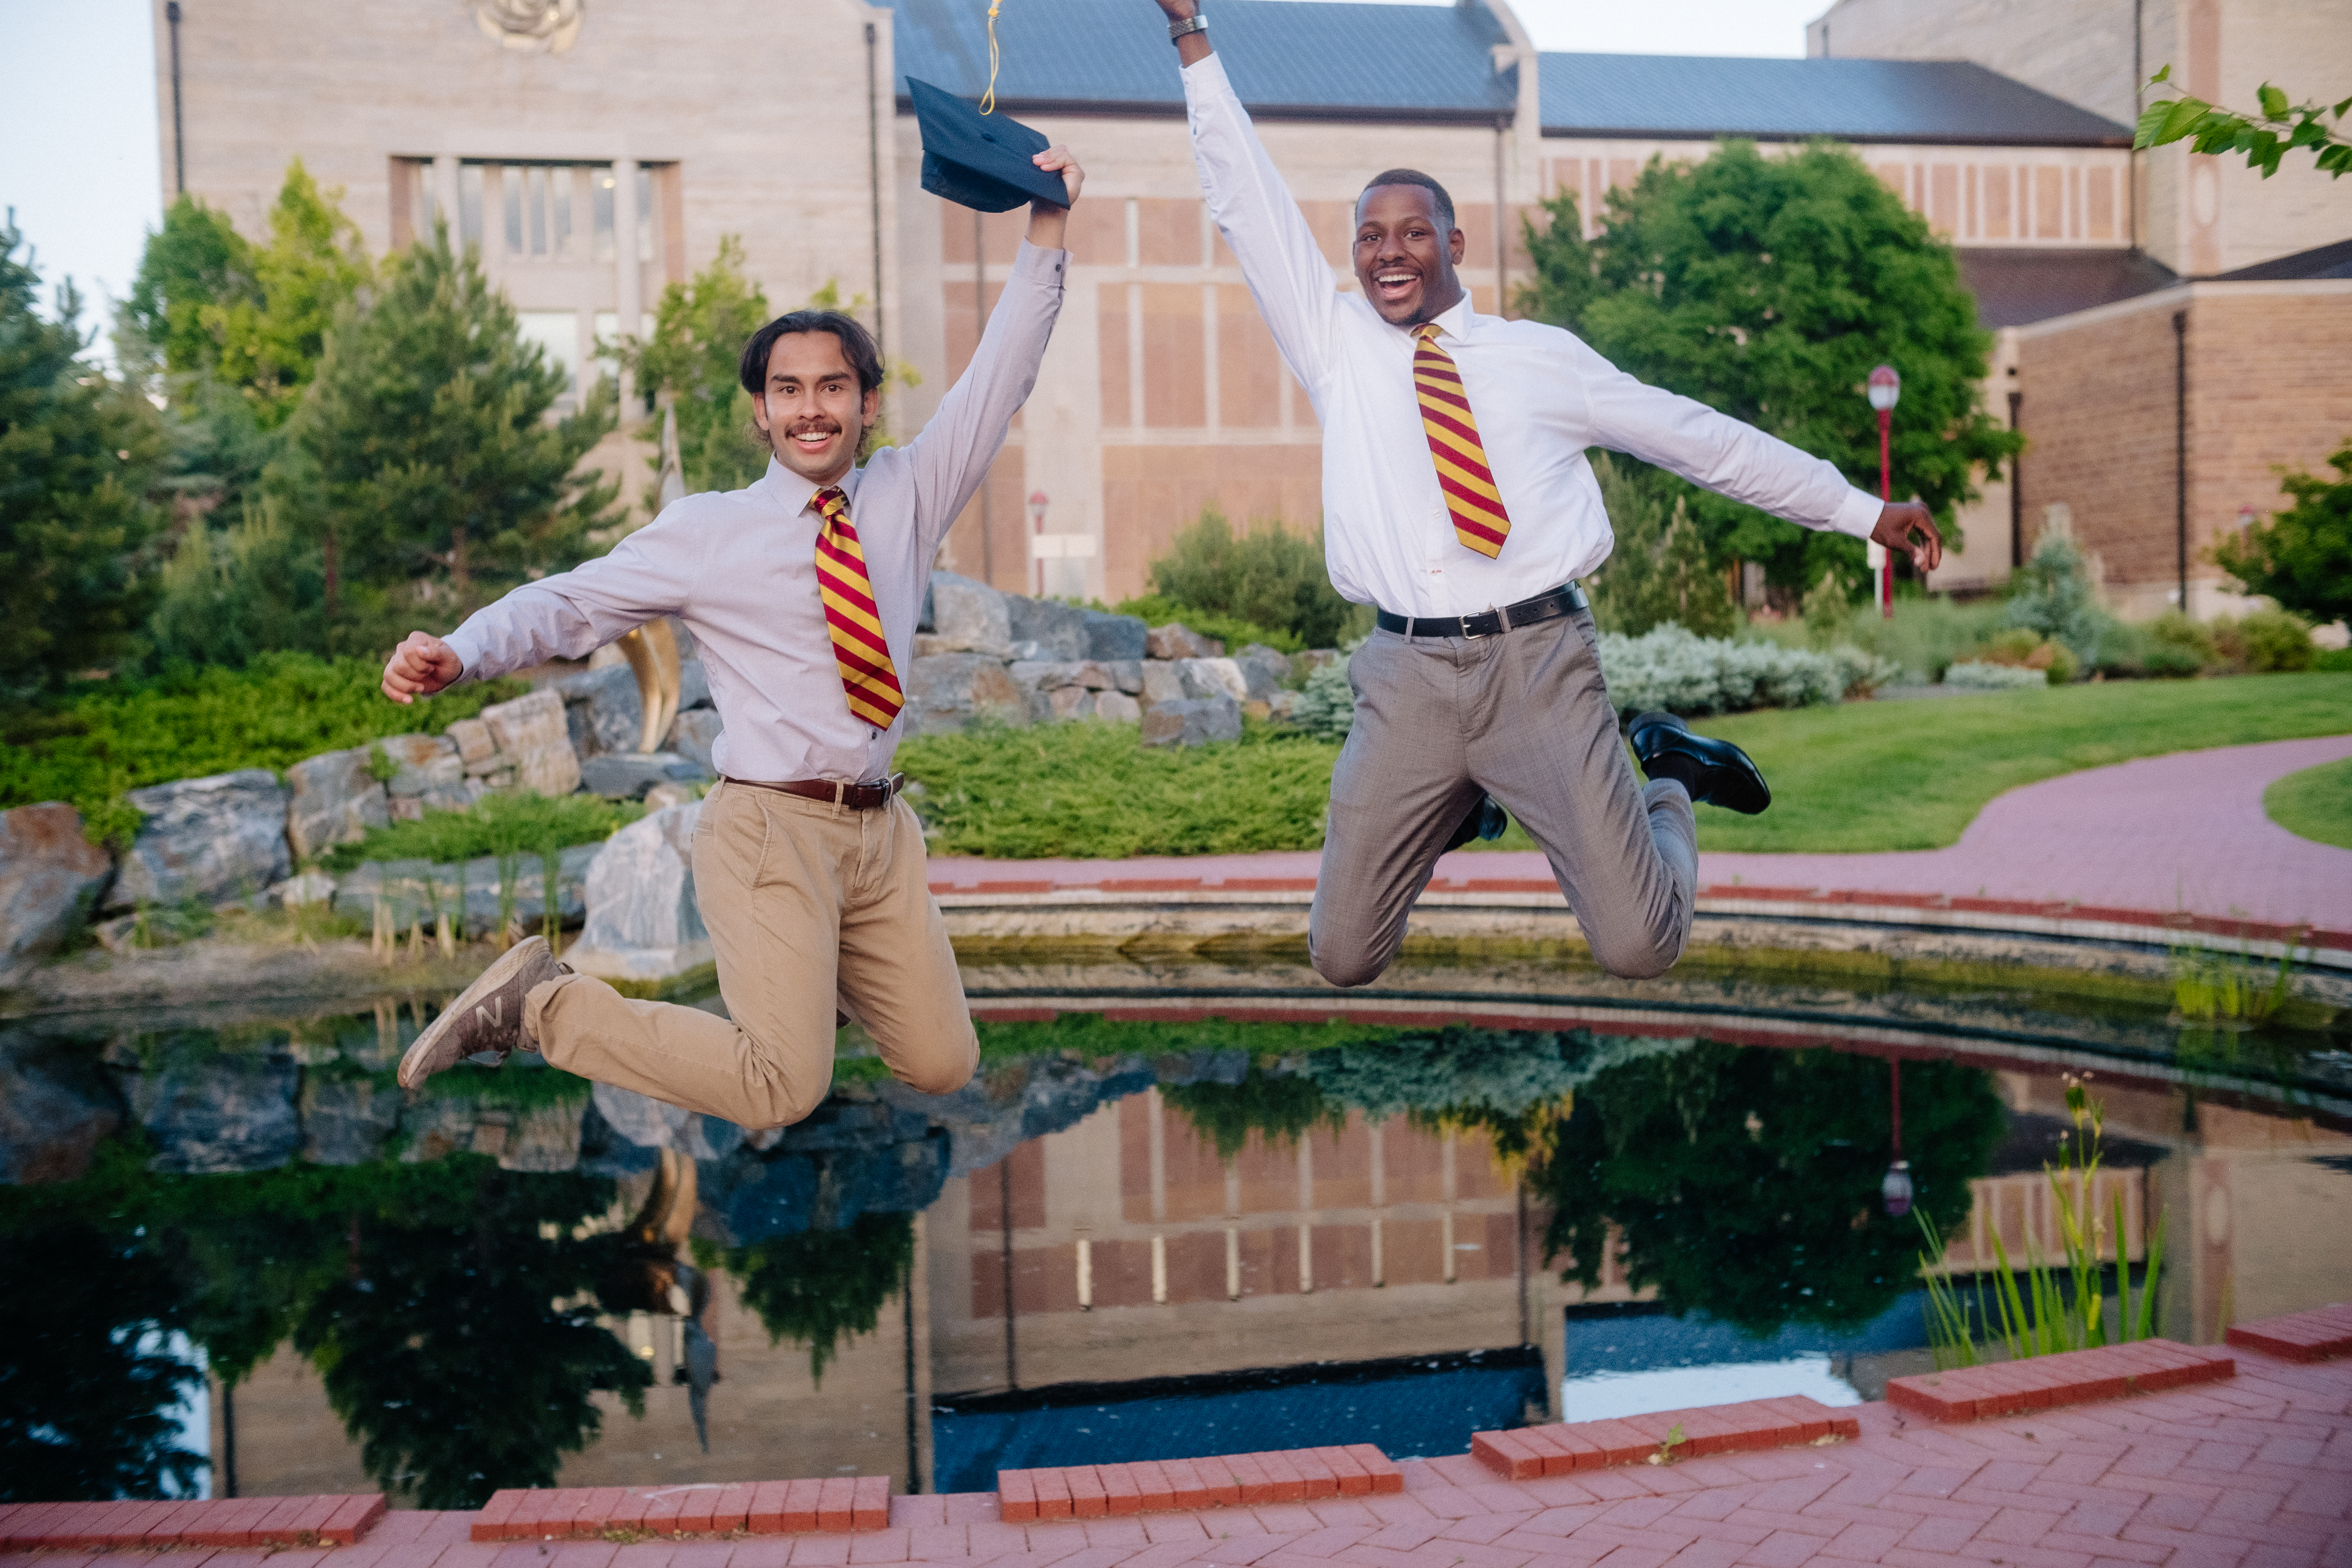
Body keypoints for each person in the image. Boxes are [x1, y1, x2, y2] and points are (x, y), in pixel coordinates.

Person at [1143, 0, 1942, 985]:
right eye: (1368, 236)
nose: (1388, 251)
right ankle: (1461, 798)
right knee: (1342, 954)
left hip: (1541, 664)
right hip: (1407, 678)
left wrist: (1862, 508)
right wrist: (1191, 30)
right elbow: (1243, 198)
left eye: (1412, 233)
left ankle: (1673, 780)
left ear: (1455, 245)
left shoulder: (1542, 361)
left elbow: (1702, 441)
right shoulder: (1334, 344)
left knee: (1640, 946)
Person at [376, 145, 1087, 1127]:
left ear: (867, 403)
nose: (812, 408)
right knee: (782, 1088)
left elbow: (1003, 373)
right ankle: (541, 1003)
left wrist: (1047, 225)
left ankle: (808, 975)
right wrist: (463, 648)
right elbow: (574, 602)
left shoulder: (908, 495)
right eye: (789, 390)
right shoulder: (708, 531)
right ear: (762, 411)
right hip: (770, 828)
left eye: (833, 387)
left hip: (881, 832)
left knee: (942, 1061)